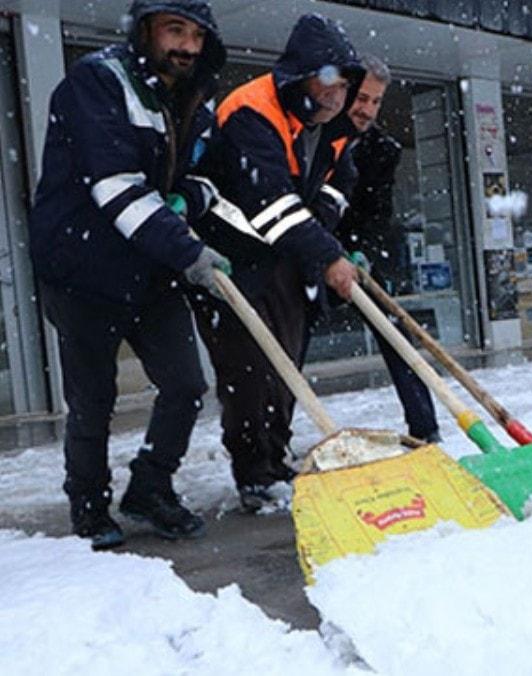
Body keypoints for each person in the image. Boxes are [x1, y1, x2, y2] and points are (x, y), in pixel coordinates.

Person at [28, 0, 230, 548]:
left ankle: (150, 487)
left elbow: (208, 177)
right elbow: (115, 185)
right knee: (94, 399)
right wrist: (186, 247)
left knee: (187, 386)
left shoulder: (191, 100)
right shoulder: (95, 84)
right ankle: (89, 507)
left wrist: (186, 201)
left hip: (150, 263)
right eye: (174, 30)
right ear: (145, 31)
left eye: (195, 35)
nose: (186, 46)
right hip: (84, 266)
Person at [191, 13, 363, 512]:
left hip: (285, 257)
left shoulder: (328, 127)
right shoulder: (251, 111)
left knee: (286, 363)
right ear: (300, 74)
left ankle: (276, 457)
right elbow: (270, 204)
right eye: (328, 78)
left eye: (345, 83)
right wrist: (326, 254)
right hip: (230, 258)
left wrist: (321, 226)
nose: (337, 94)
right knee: (248, 367)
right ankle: (254, 474)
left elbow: (338, 183)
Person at [339, 54, 439, 442]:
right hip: (311, 246)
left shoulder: (382, 148)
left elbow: (378, 210)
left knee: (396, 334)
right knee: (287, 340)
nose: (366, 109)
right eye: (361, 98)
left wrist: (362, 250)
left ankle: (425, 429)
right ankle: (266, 452)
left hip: (360, 252)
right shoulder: (313, 136)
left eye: (375, 101)